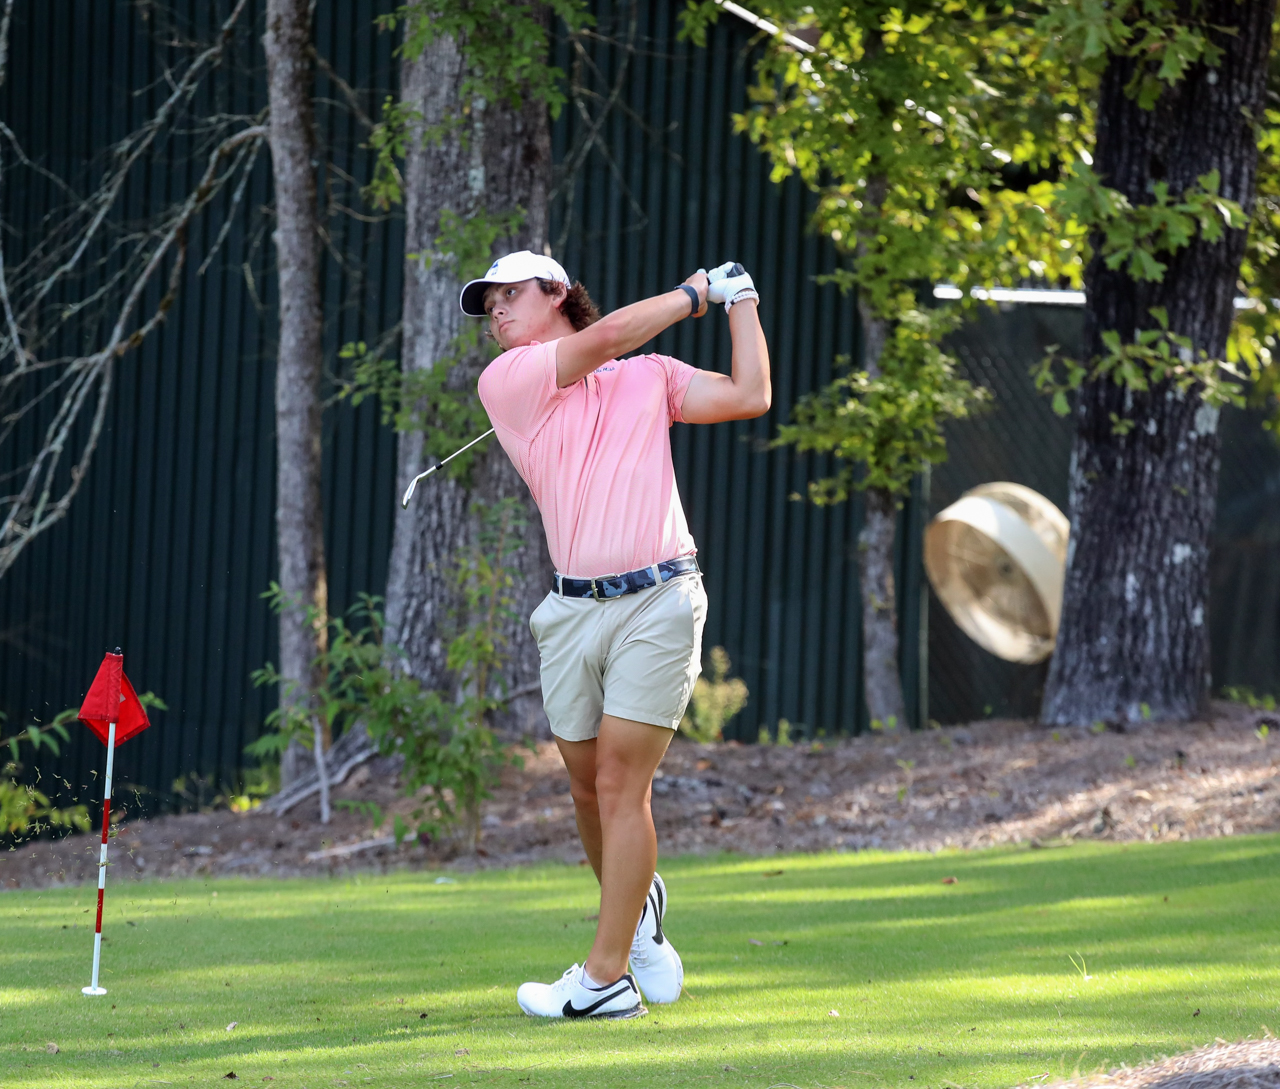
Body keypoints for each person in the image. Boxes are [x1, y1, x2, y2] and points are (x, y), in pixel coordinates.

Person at [460, 250, 770, 1020]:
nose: (495, 313)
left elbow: (750, 394)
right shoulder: (509, 380)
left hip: (660, 597)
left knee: (619, 784)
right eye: (486, 304)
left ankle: (604, 980)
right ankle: (637, 919)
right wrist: (693, 293)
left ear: (557, 292)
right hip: (570, 612)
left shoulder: (651, 376)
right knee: (583, 786)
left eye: (508, 296)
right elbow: (605, 340)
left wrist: (742, 304)